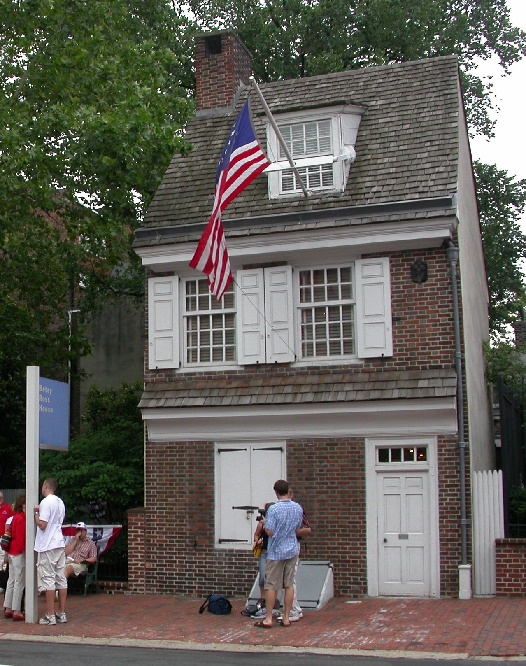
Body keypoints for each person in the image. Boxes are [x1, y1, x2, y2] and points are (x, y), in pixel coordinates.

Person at [254, 479, 303, 629]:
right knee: (289, 584)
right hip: (292, 548)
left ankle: (268, 618)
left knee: (271, 585)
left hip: (276, 551)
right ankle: (287, 617)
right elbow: (298, 527)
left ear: (276, 492)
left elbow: (270, 532)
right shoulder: (297, 508)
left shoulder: (274, 509)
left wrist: (264, 522)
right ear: (288, 491)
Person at [34, 478, 67, 626]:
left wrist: (36, 514)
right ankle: (61, 612)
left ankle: (50, 614)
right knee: (61, 578)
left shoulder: (46, 502)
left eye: (43, 486)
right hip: (59, 542)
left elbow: (42, 525)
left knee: (48, 579)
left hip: (47, 544)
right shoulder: (60, 502)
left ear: (46, 486)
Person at [287, 488, 311, 622]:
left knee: (290, 580)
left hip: (292, 545)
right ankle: (292, 608)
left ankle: (294, 610)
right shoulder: (277, 509)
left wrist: (289, 532)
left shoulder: (297, 510)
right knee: (285, 581)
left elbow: (307, 529)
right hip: (280, 548)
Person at [250, 502, 275, 619]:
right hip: (264, 553)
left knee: (272, 578)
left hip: (274, 554)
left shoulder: (275, 523)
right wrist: (257, 541)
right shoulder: (262, 524)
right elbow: (256, 535)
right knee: (262, 577)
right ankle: (263, 598)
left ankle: (271, 601)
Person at [3, 494, 26, 621]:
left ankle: (8, 607)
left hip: (11, 550)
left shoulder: (14, 518)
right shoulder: (22, 519)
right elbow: (22, 539)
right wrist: (24, 552)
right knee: (19, 581)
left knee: (11, 580)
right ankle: (17, 610)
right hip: (18, 552)